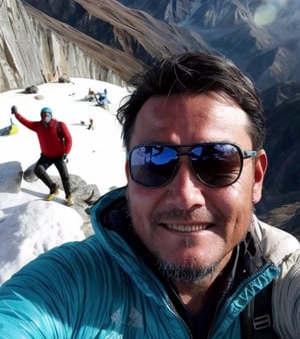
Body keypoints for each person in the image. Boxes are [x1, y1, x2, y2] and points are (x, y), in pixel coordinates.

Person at [1, 51, 299, 338]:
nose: (185, 195)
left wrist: (63, 150)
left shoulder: (284, 278)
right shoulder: (69, 285)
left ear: (256, 177)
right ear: (129, 175)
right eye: (154, 160)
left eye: (217, 161)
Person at [11, 105, 73, 206]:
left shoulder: (59, 125)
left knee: (65, 176)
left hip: (59, 156)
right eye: (43, 115)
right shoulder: (38, 126)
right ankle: (54, 189)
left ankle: (69, 196)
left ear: (51, 115)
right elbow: (26, 122)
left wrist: (66, 152)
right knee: (38, 170)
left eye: (47, 115)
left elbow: (68, 139)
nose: (45, 117)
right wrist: (17, 114)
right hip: (46, 156)